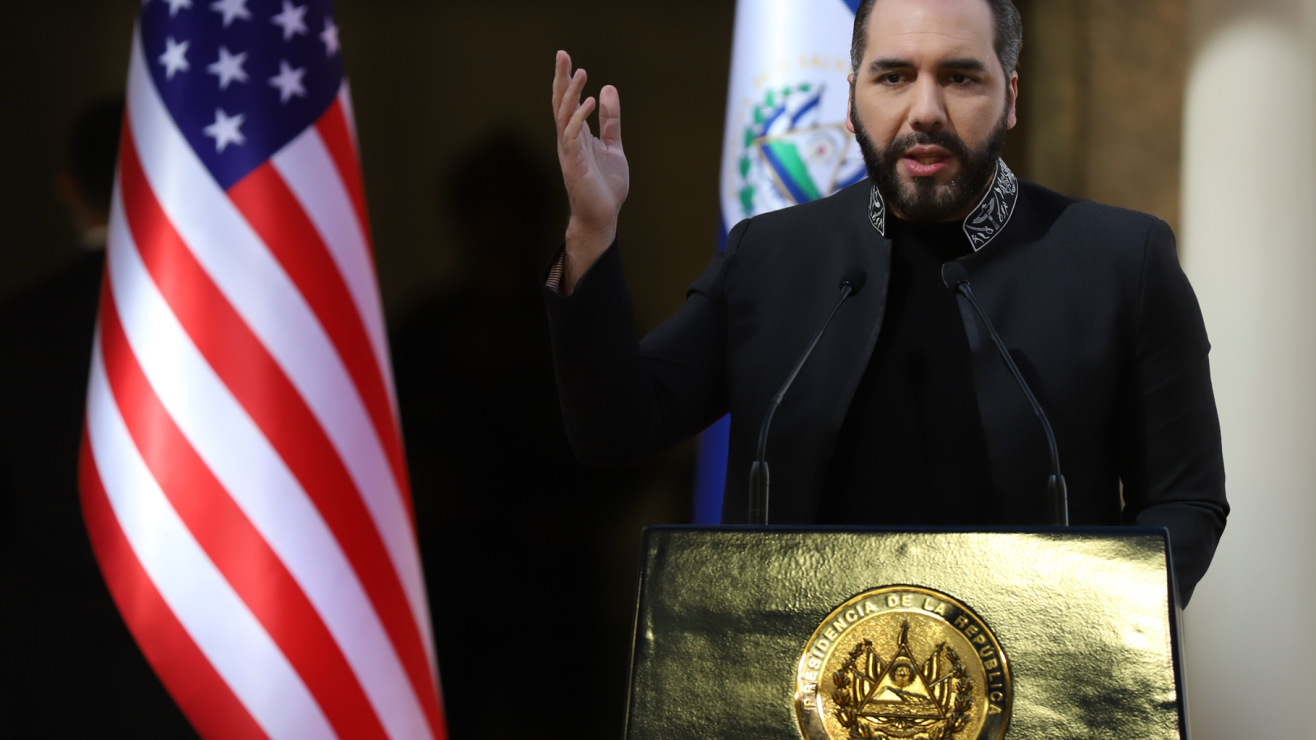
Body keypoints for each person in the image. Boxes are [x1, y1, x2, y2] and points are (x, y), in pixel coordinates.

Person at [542, 0, 1227, 604]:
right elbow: (615, 429)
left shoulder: (1120, 260)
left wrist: (1095, 635)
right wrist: (591, 233)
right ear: (850, 101)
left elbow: (1185, 500)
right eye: (893, 76)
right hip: (801, 685)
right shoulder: (769, 258)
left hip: (1038, 684)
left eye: (960, 77)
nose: (925, 110)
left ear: (1011, 96)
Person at [0, 97, 198, 736]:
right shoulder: (242, 336)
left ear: (69, 186)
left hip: (47, 679)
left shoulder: (19, 332)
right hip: (199, 682)